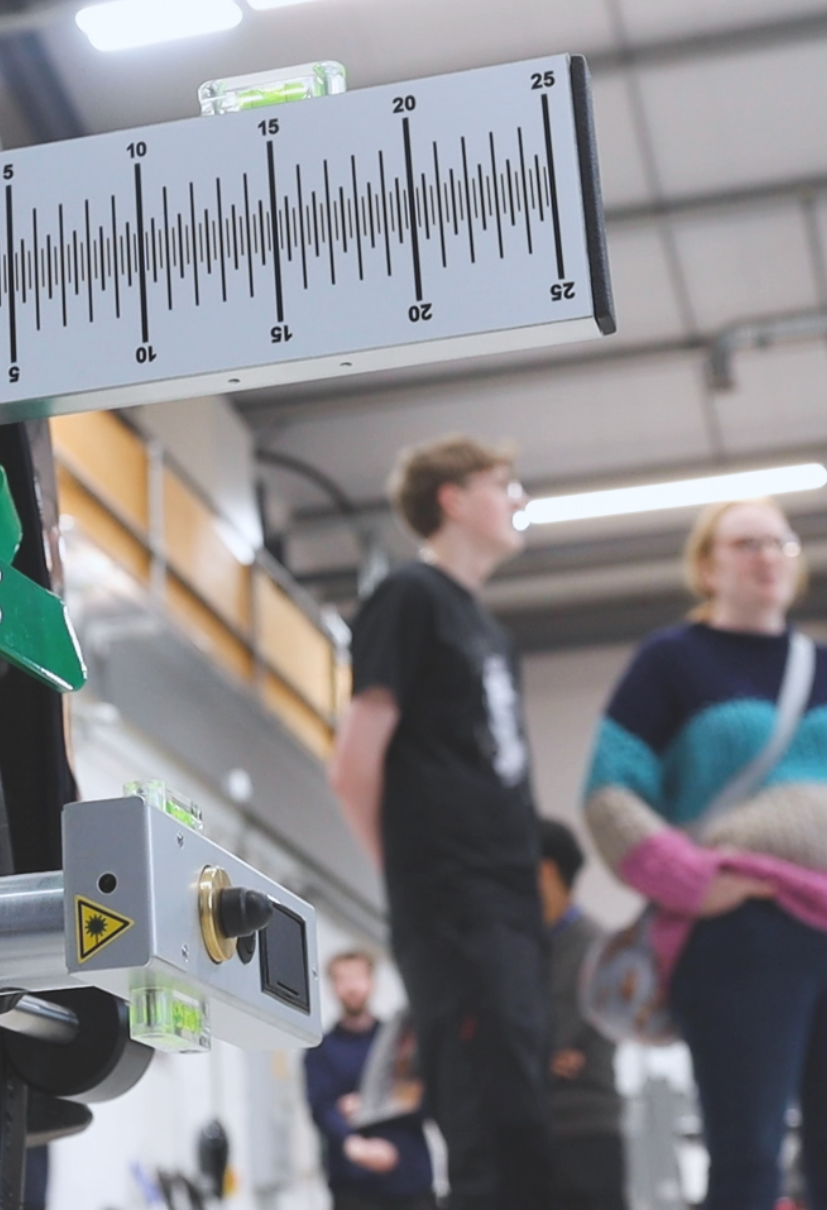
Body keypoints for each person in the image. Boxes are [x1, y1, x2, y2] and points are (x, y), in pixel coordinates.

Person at [582, 498, 827, 1210]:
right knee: (746, 1159)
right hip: (748, 936)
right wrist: (691, 880)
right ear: (708, 564)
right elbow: (609, 791)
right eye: (746, 542)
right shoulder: (672, 661)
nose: (768, 556)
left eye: (780, 542)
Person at [331, 434, 552, 1210]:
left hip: (509, 902)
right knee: (485, 1119)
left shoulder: (492, 631)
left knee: (523, 1115)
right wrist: (415, 883)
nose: (517, 498)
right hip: (452, 902)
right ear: (452, 499)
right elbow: (354, 764)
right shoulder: (409, 598)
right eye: (503, 483)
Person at [537, 819, 626, 1210]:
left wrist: (532, 1055)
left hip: (588, 1131)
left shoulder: (597, 946)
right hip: (532, 1132)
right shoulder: (522, 954)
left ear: (546, 869)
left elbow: (579, 1039)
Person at [304, 950, 437, 1210]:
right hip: (354, 1188)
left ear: (371, 981)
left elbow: (425, 1100)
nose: (351, 987)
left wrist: (366, 1105)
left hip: (410, 1180)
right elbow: (321, 1107)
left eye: (357, 977)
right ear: (333, 986)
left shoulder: (401, 1044)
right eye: (342, 979)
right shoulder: (321, 1050)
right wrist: (354, 1145)